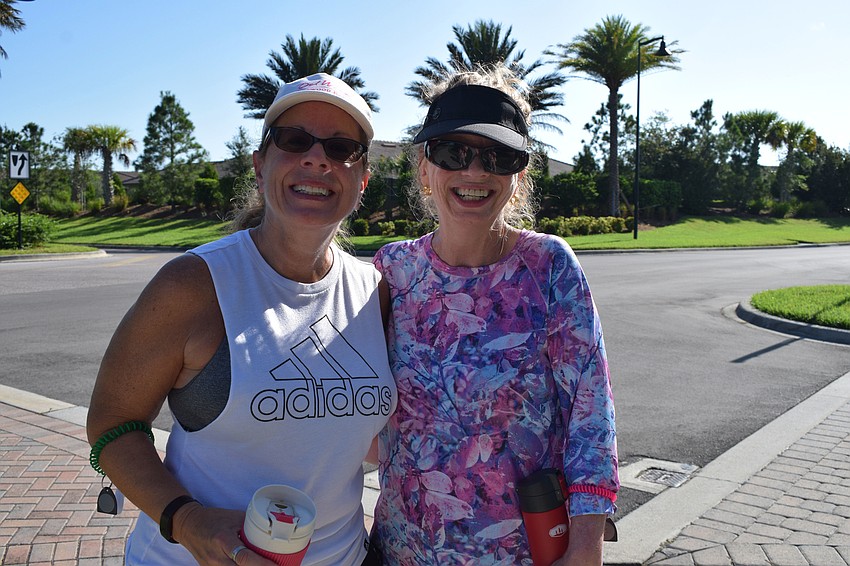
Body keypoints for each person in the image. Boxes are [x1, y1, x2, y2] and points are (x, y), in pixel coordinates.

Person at [87, 73, 397, 566]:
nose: (317, 159)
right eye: (294, 140)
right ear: (259, 164)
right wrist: (187, 521)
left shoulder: (374, 291)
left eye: (341, 148)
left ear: (362, 181)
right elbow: (113, 423)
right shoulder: (193, 285)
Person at [370, 64, 619, 565]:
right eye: (452, 152)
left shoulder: (548, 266)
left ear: (518, 176)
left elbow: (590, 413)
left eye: (498, 156)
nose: (475, 171)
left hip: (521, 553)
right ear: (424, 169)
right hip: (401, 550)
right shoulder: (392, 270)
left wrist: (586, 543)